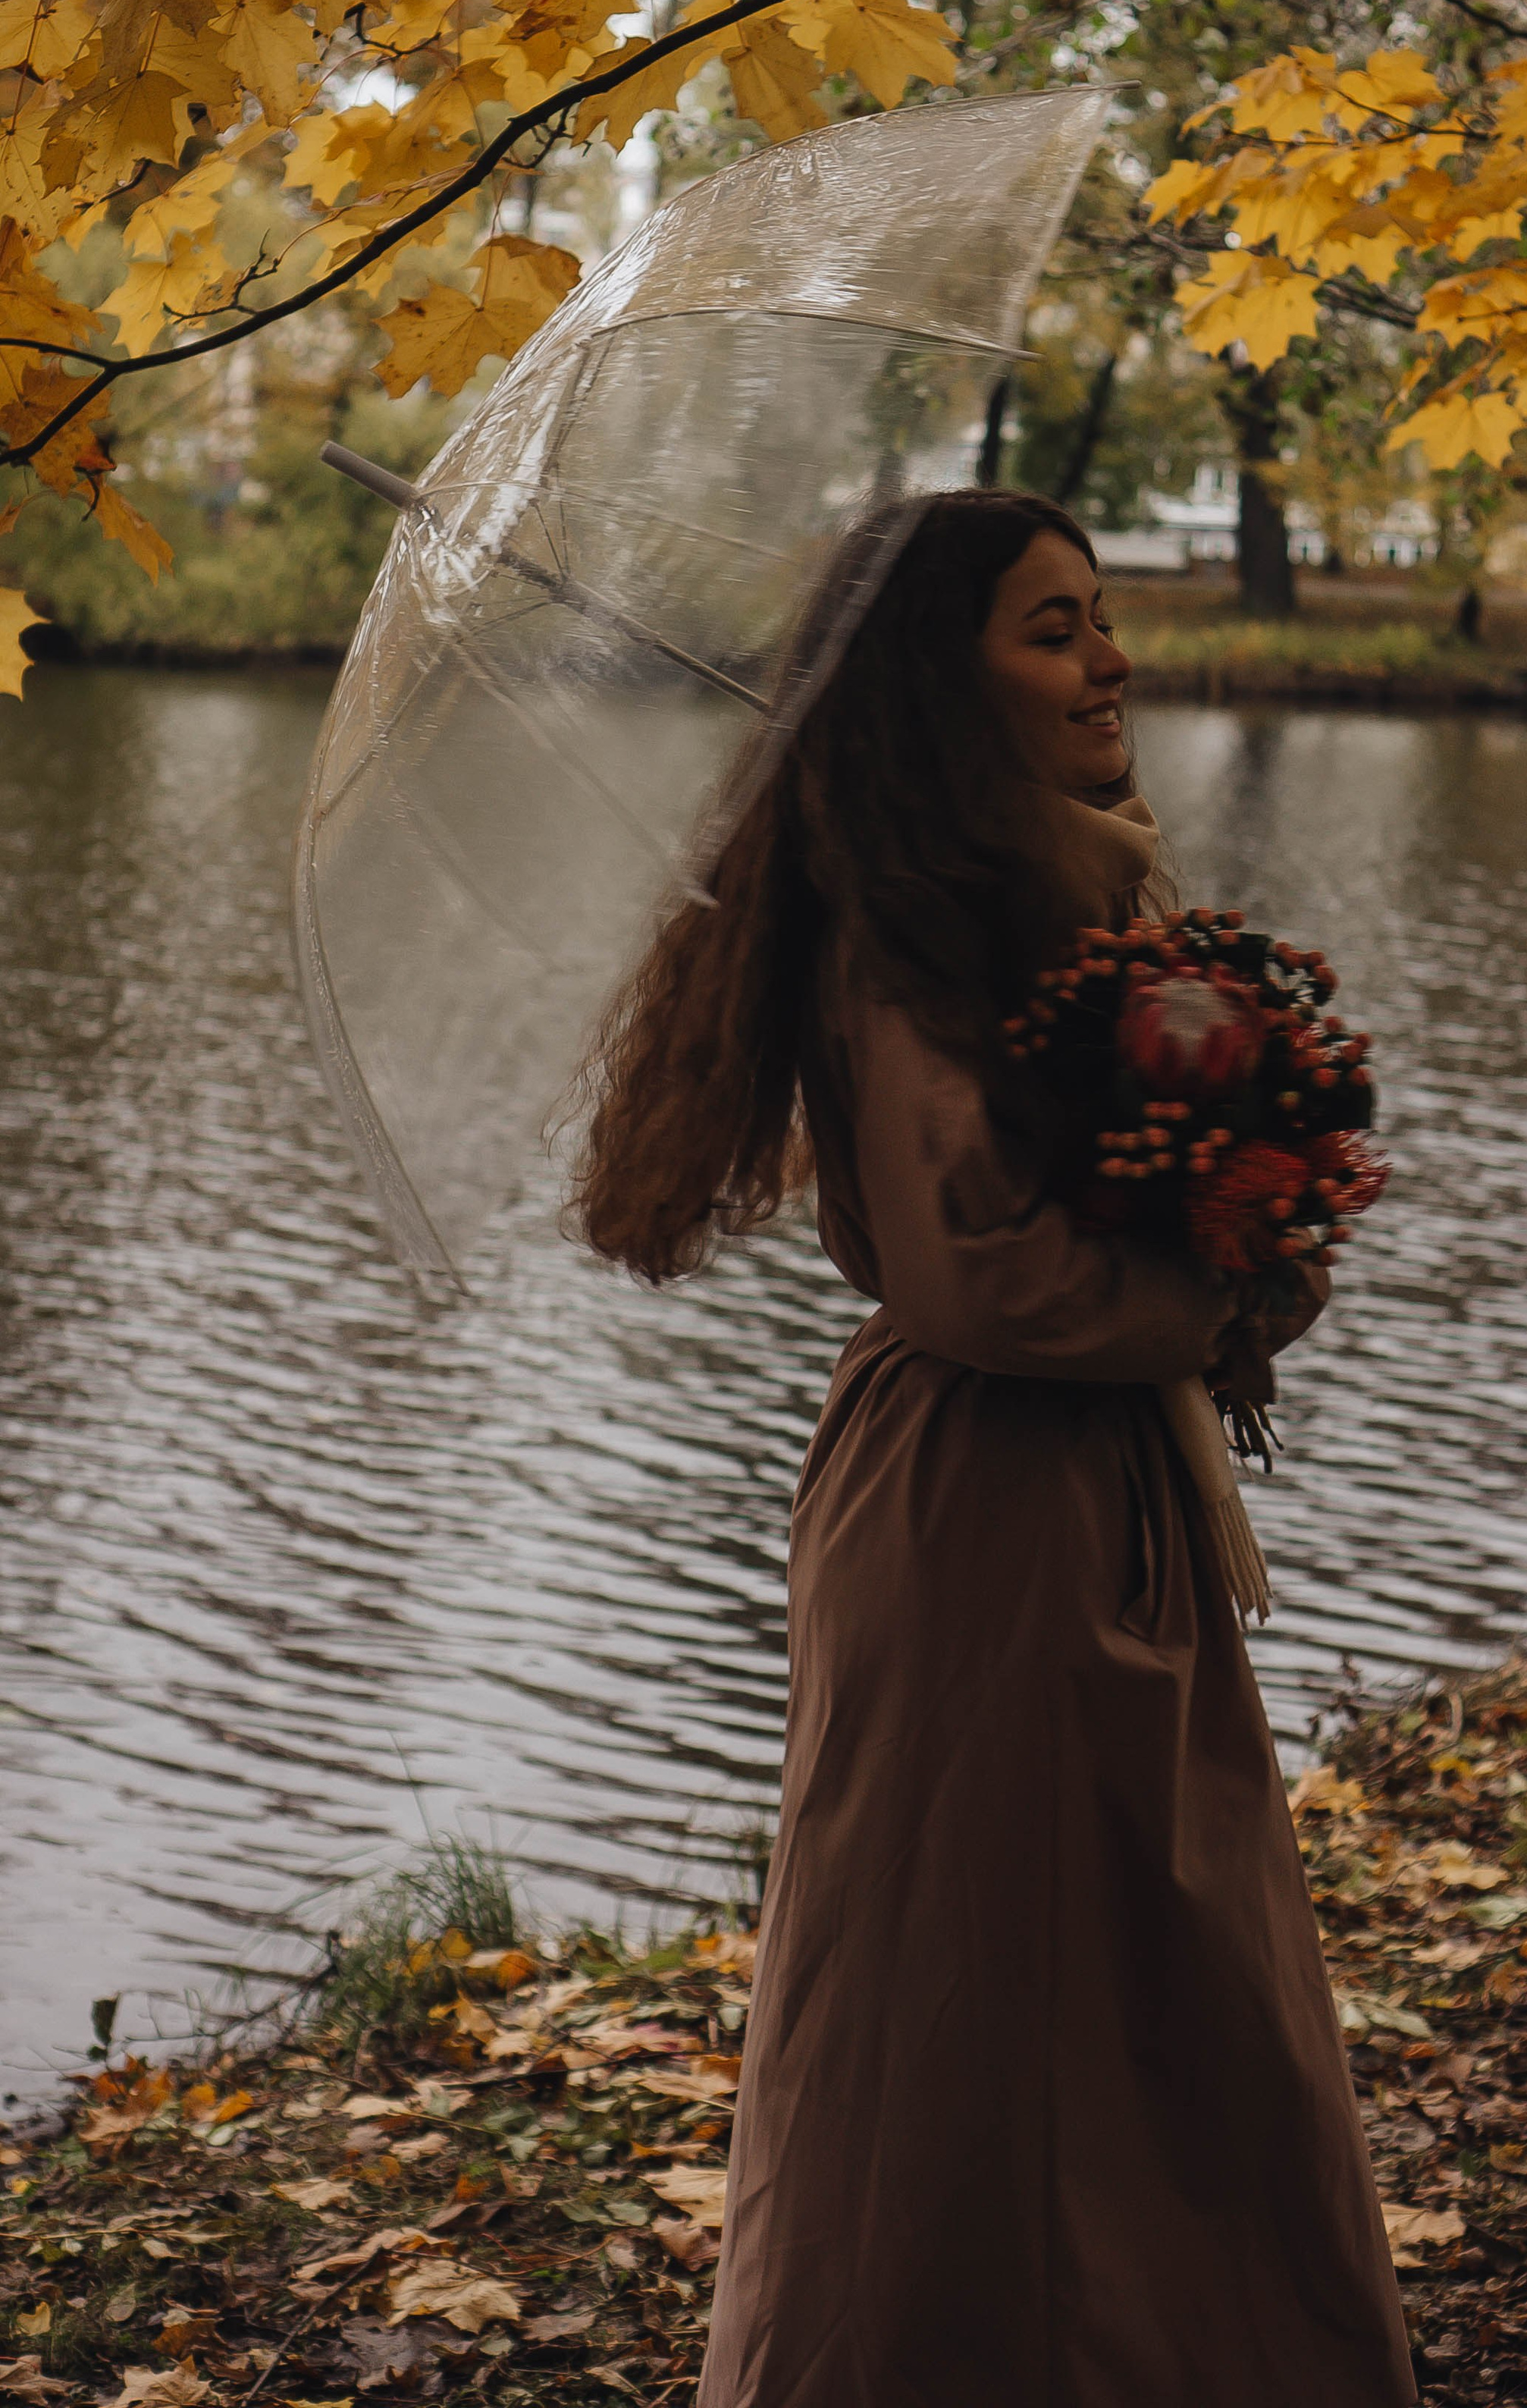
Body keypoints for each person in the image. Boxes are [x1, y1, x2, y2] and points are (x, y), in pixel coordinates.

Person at [575, 489, 1416, 2408]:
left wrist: (1236, 1165)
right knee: (968, 2009)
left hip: (1095, 1491)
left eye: (1100, 619)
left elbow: (1102, 1215)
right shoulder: (909, 933)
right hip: (985, 1514)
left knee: (1148, 1980)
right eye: (1054, 629)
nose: (1108, 658)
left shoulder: (1057, 895)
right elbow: (987, 1280)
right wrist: (1229, 1276)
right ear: (937, 688)